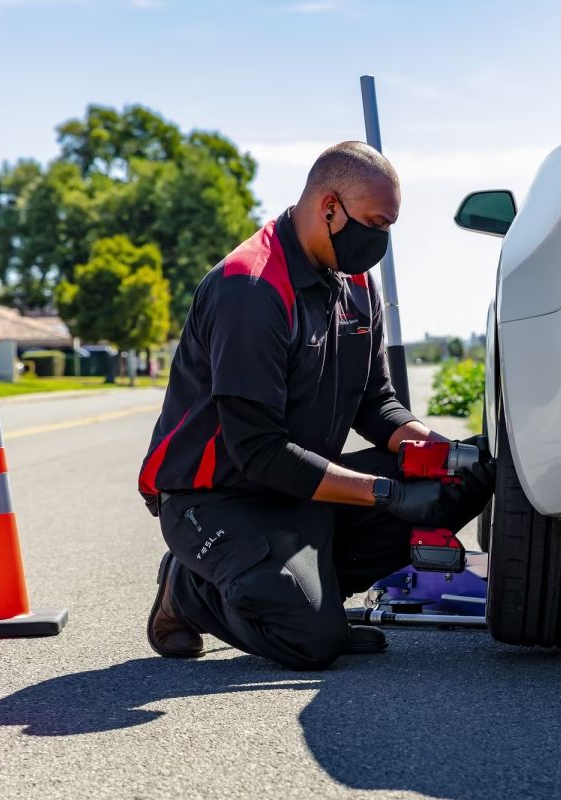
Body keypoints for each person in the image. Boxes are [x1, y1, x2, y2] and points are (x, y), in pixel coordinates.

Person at [137, 141, 494, 670]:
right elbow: (258, 453)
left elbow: (376, 402)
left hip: (300, 487)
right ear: (329, 207)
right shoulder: (251, 289)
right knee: (310, 639)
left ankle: (306, 592)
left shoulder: (354, 282)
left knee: (468, 473)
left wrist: (433, 448)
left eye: (389, 227)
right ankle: (189, 589)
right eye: (375, 224)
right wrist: (387, 493)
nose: (381, 241)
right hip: (218, 499)